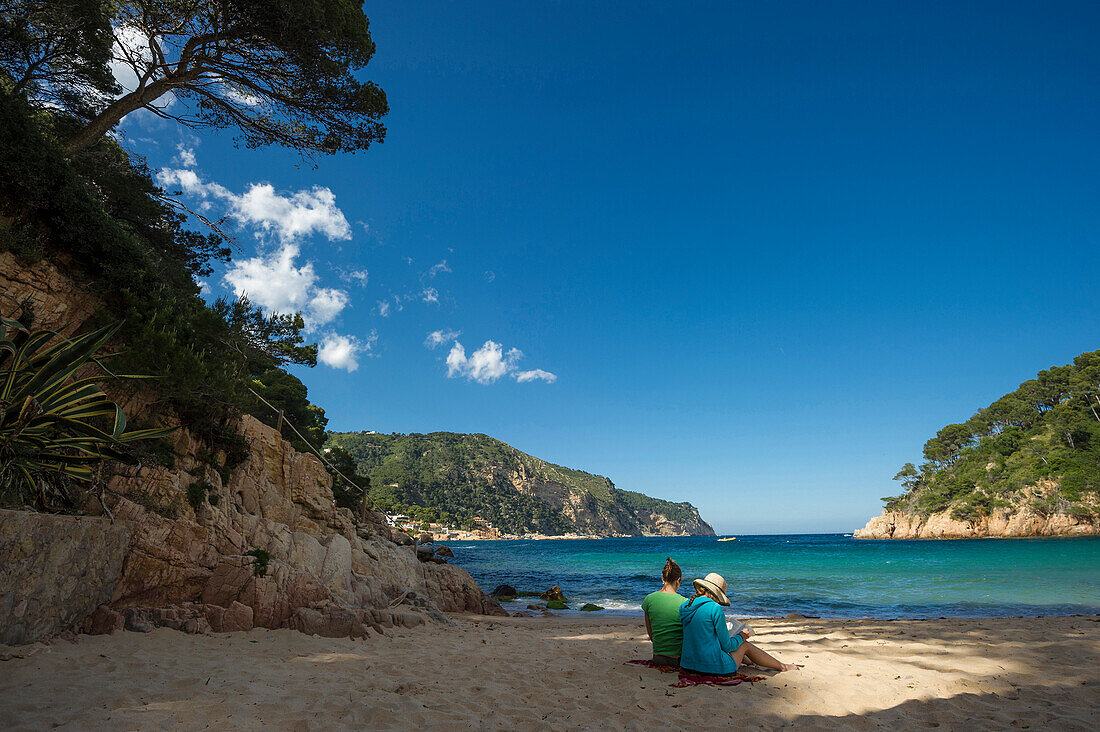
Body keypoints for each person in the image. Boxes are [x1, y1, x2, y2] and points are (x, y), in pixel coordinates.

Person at [679, 572, 799, 675]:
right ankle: (783, 667)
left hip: (688, 665)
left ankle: (752, 661)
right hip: (712, 667)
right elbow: (727, 646)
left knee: (732, 643)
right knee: (744, 645)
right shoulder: (715, 608)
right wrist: (742, 636)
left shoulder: (685, 606)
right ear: (717, 594)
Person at [641, 558, 686, 666]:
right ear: (678, 580)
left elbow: (651, 633)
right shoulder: (684, 602)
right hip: (679, 659)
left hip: (658, 658)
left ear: (662, 578)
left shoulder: (649, 599)